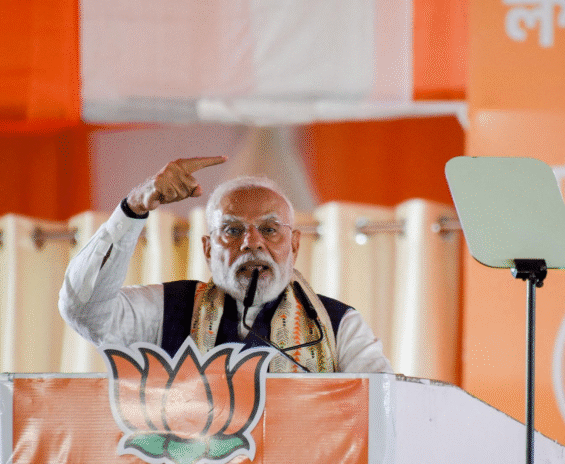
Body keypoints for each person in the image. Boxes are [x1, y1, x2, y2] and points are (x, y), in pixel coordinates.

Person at [59, 156, 392, 373]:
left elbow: (379, 409)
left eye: (269, 229)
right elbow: (84, 310)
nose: (252, 242)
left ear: (294, 244)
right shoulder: (170, 309)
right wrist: (133, 209)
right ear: (207, 249)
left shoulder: (338, 326)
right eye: (232, 230)